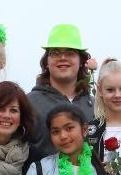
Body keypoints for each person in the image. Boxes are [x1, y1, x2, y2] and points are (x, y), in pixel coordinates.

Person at [27, 24, 94, 155]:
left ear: (81, 61)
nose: (62, 58)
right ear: (46, 62)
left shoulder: (95, 105)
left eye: (70, 53)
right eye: (55, 53)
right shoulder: (28, 103)